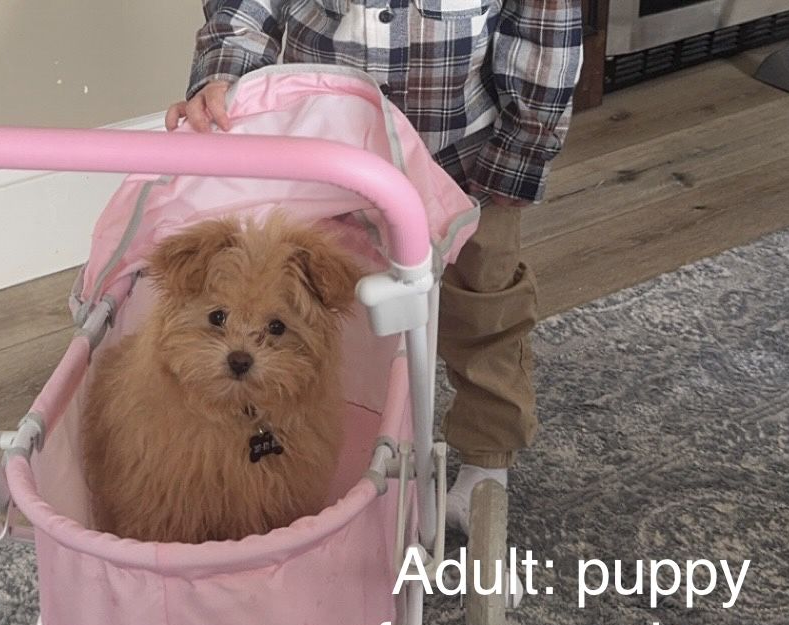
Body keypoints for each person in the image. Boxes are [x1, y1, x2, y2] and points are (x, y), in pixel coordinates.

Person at [166, 0, 583, 534]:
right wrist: (225, 75)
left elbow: (545, 34)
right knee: (318, 319)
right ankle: (340, 439)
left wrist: (521, 151)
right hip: (326, 166)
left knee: (486, 313)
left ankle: (485, 462)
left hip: (463, 164)